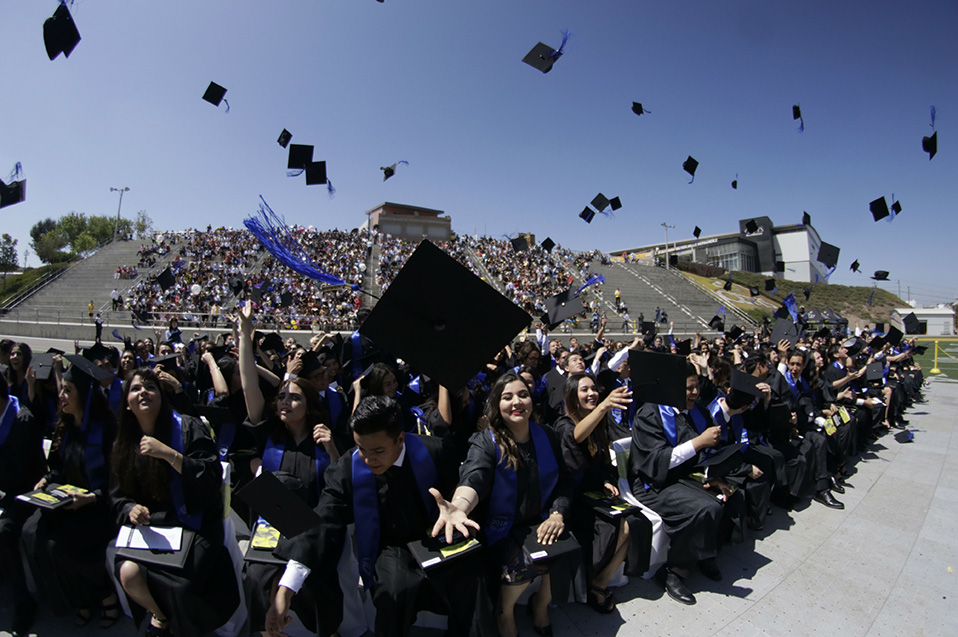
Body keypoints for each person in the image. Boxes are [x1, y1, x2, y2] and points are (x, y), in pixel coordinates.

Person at [268, 396, 496, 637]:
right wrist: (287, 588)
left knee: (473, 582)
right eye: (361, 448)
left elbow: (462, 494)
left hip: (439, 536)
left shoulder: (435, 451)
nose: (368, 459)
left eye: (378, 450)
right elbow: (323, 520)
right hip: (392, 547)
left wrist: (458, 510)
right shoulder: (346, 469)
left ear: (400, 439)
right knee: (393, 594)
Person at [434, 373, 573, 637]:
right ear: (497, 404)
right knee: (521, 564)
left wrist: (557, 513)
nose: (517, 402)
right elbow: (474, 477)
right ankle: (505, 612)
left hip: (542, 520)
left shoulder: (547, 435)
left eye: (523, 395)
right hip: (503, 528)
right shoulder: (486, 441)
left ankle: (541, 605)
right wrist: (459, 506)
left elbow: (564, 482)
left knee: (563, 552)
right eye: (507, 397)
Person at [111, 368, 240, 636]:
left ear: (162, 396)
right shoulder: (124, 441)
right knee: (128, 572)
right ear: (127, 403)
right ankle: (160, 617)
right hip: (151, 526)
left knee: (183, 585)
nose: (143, 392)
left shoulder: (187, 427)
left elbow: (211, 476)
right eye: (135, 388)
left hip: (193, 521)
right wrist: (130, 508)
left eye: (151, 387)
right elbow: (117, 494)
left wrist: (169, 455)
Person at [628, 362, 743, 606]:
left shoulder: (696, 411)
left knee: (731, 496)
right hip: (654, 483)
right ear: (672, 389)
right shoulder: (649, 414)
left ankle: (706, 554)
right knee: (706, 508)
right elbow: (655, 461)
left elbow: (704, 456)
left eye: (696, 387)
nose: (695, 393)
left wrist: (713, 476)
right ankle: (673, 571)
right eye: (689, 388)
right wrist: (698, 442)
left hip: (685, 477)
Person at [21, 357, 120, 628]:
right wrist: (45, 480)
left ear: (85, 394)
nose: (61, 395)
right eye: (62, 389)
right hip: (67, 502)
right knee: (31, 533)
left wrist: (92, 497)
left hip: (99, 508)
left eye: (67, 390)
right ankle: (78, 598)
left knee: (59, 545)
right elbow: (57, 469)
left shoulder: (107, 429)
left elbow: (117, 482)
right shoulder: (65, 427)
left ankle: (104, 595)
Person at [554, 373, 653, 613]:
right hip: (571, 499)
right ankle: (591, 582)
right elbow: (576, 437)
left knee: (636, 523)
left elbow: (604, 463)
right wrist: (604, 406)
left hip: (596, 496)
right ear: (572, 396)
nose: (591, 394)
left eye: (593, 389)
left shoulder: (599, 424)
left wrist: (607, 481)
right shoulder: (564, 424)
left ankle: (599, 582)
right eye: (584, 390)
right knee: (615, 528)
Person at [0, 369, 46, 634]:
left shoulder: (22, 420)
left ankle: (23, 602)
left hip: (28, 490)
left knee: (4, 530)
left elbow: (16, 475)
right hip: (7, 487)